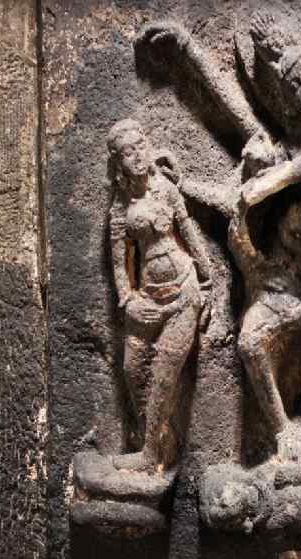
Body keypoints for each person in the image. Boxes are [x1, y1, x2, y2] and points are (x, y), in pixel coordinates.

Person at [106, 118, 211, 471]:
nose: (136, 156)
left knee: (165, 373)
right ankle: (159, 440)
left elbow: (189, 232)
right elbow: (119, 264)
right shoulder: (120, 208)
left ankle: (151, 456)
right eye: (127, 152)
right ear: (119, 163)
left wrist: (208, 280)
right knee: (132, 368)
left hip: (184, 291)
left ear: (148, 148)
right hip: (148, 296)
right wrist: (128, 301)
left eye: (140, 147)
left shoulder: (166, 189)